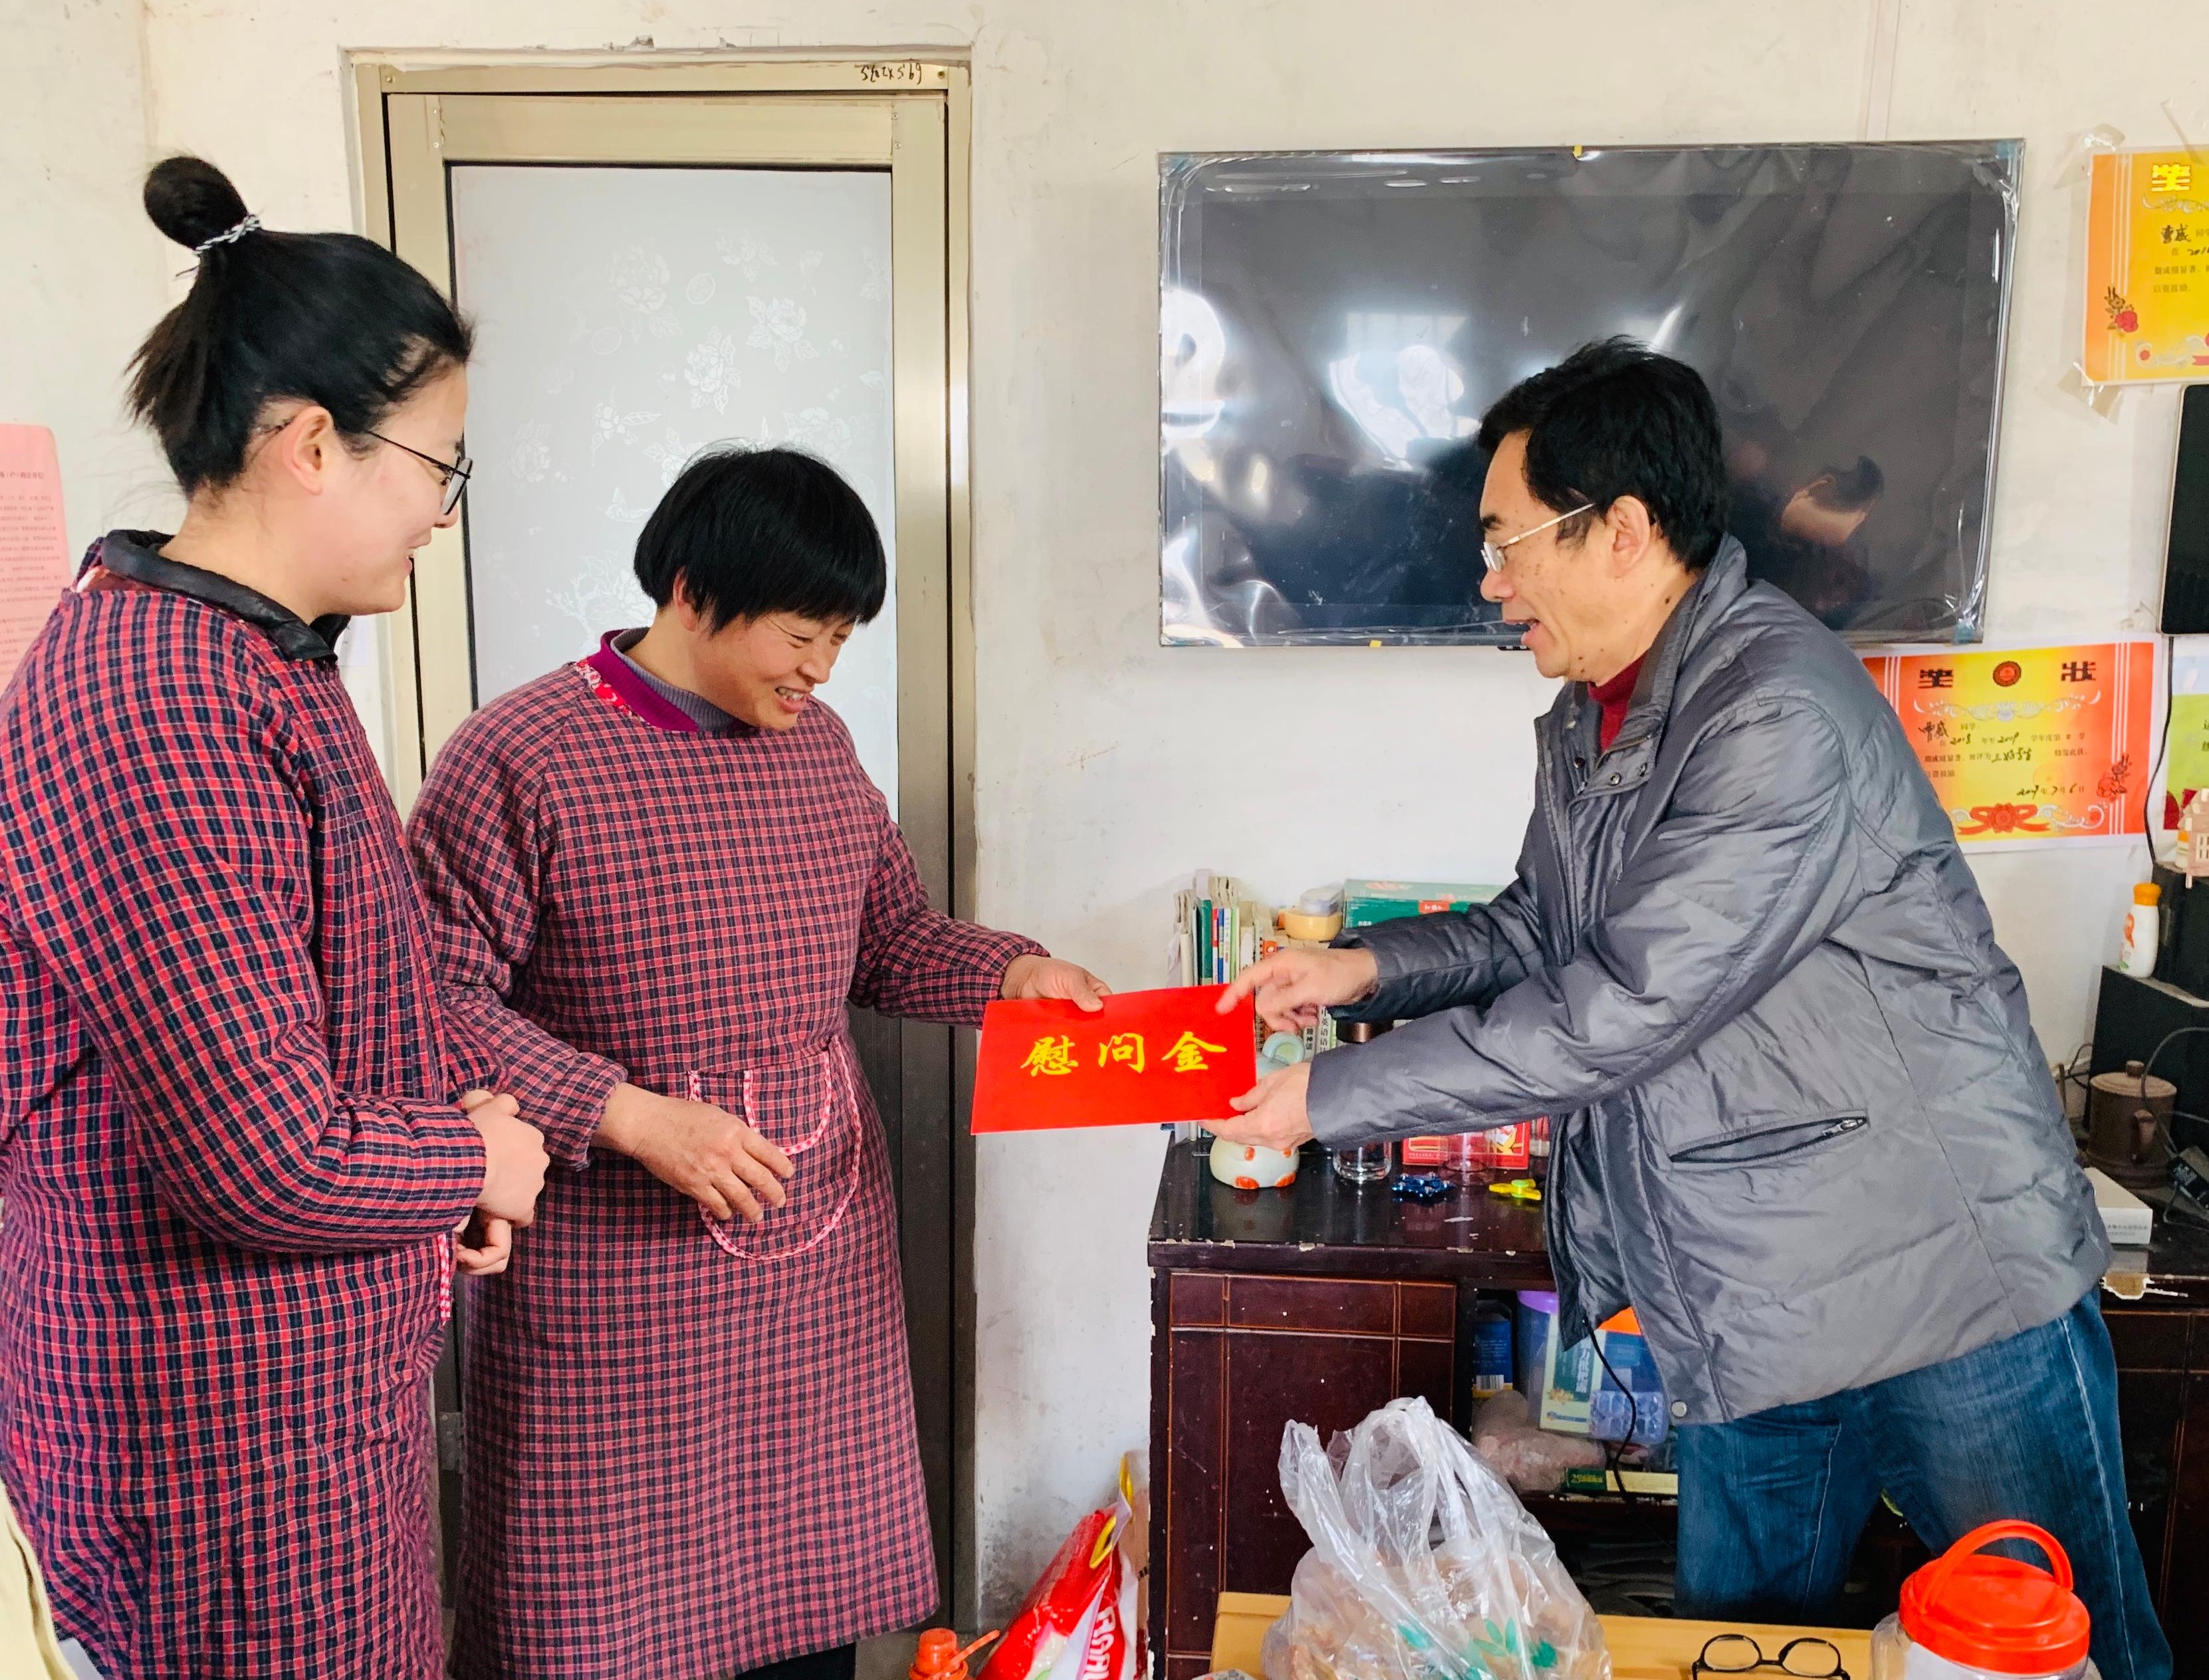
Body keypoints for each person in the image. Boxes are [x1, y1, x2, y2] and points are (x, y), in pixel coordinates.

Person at [1212, 339, 2172, 1680]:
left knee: (2065, 1651)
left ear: (1622, 531)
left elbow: (1622, 1004)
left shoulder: (1778, 708)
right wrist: (1361, 973)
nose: (1489, 581)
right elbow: (1545, 926)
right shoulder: (1593, 716)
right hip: (1749, 1296)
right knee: (1742, 1651)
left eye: (1506, 542)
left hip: (1949, 1289)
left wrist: (1325, 1099)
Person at [406, 445, 1111, 1680]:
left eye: (841, 638)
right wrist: (627, 1114)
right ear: (691, 593)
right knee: (603, 1631)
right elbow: (435, 1000)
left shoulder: (819, 748)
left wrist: (1011, 975)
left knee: (808, 1627)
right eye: (801, 633)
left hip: (816, 1271)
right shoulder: (519, 755)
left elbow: (890, 941)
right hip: (610, 1293)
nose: (822, 668)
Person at [0, 158, 551, 1678]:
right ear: (313, 445)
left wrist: (450, 1142)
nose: (441, 513)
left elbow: (333, 1004)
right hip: (215, 1461)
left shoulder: (262, 664)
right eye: (439, 466)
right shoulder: (156, 701)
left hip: (306, 1425)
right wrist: (473, 1155)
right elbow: (258, 1150)